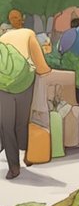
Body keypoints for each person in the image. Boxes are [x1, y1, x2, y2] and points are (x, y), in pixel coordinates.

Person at [0, 10, 50, 179]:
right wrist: (45, 70)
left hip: (3, 86)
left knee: (6, 126)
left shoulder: (2, 38)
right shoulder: (29, 34)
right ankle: (28, 154)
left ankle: (13, 167)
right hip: (23, 84)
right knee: (22, 122)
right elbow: (40, 64)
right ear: (22, 20)